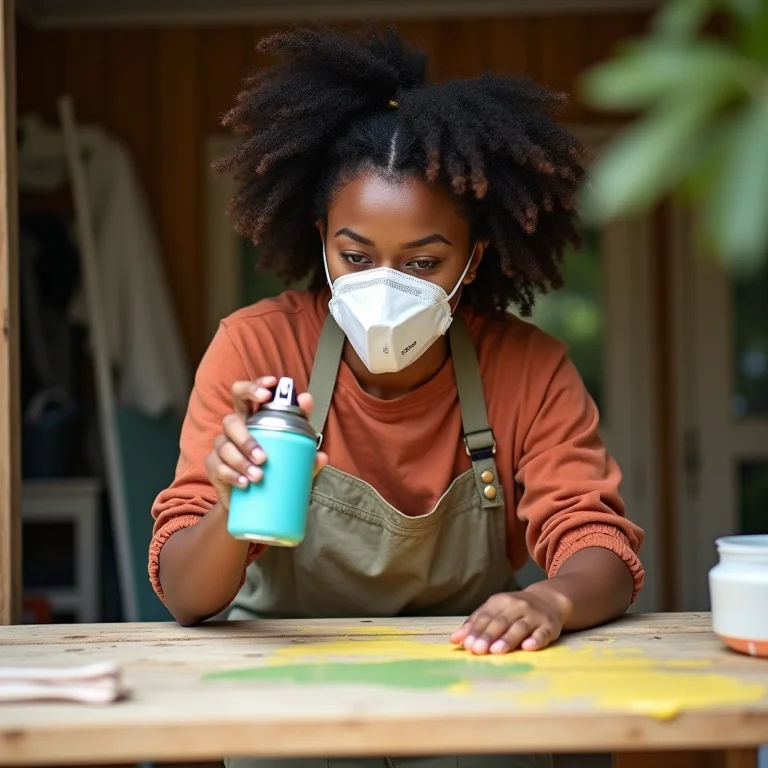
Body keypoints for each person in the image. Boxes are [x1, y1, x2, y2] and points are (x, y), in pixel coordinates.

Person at [149, 25, 644, 768]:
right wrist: (231, 502)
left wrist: (552, 601)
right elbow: (187, 596)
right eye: (355, 256)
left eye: (423, 261)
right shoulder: (256, 350)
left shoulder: (527, 368)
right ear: (320, 239)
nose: (384, 286)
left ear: (473, 259)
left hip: (470, 680)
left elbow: (596, 544)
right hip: (282, 688)